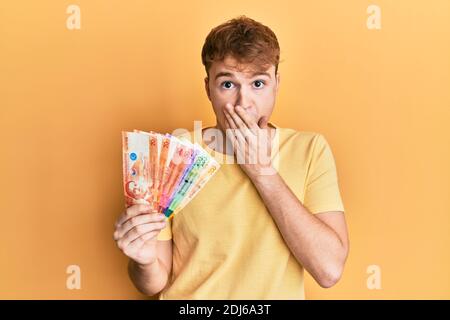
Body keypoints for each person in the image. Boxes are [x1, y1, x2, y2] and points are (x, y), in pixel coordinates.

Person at [114, 16, 349, 299]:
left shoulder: (310, 150)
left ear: (277, 84)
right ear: (208, 88)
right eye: (228, 85)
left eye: (258, 84)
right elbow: (154, 282)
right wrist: (144, 260)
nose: (243, 103)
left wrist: (262, 172)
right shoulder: (172, 154)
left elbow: (329, 270)